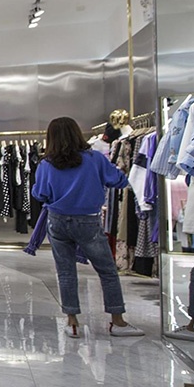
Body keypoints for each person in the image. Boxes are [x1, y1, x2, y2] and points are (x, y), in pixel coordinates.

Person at [31, 117, 141, 338]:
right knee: (107, 271)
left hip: (57, 220)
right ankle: (117, 321)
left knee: (66, 272)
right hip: (88, 221)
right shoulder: (95, 159)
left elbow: (39, 193)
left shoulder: (46, 164)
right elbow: (119, 181)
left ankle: (72, 322)